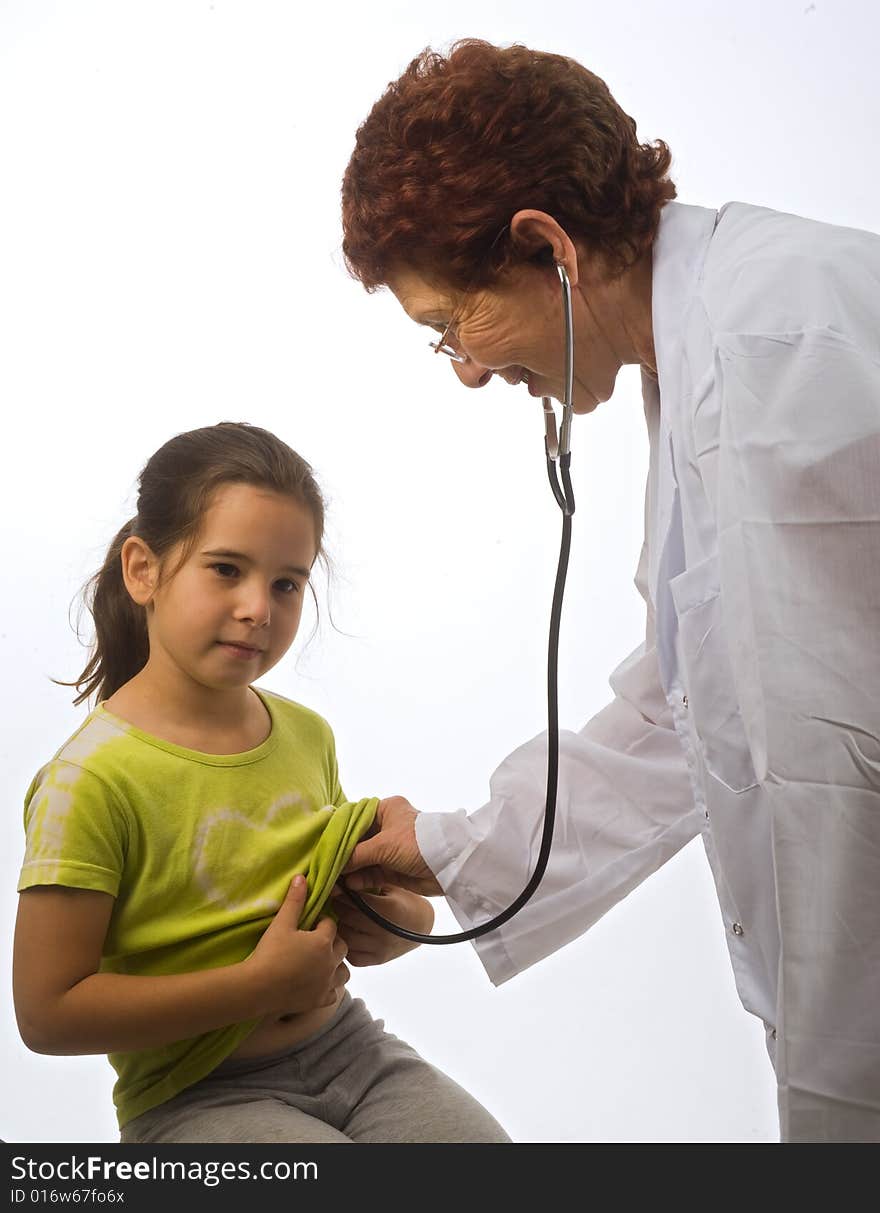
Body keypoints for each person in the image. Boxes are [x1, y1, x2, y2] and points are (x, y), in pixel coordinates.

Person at [340, 39, 880, 1142]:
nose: (471, 371)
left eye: (452, 325)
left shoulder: (783, 347)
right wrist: (450, 846)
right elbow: (695, 704)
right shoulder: (702, 350)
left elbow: (826, 757)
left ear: (546, 246)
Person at [12, 421, 510, 1145]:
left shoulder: (306, 734)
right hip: (195, 1100)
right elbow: (47, 1012)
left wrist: (403, 921)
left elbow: (347, 893)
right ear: (143, 569)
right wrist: (257, 987)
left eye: (287, 583)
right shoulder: (87, 781)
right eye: (225, 570)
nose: (259, 608)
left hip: (350, 1049)